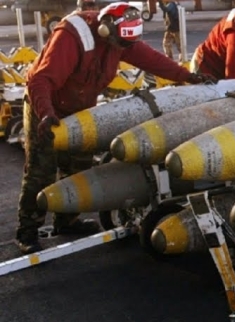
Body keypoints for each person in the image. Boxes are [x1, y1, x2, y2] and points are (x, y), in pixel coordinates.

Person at [15, 2, 214, 254]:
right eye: (120, 44)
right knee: (41, 170)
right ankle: (27, 231)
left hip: (79, 107)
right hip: (46, 107)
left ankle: (66, 221)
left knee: (78, 165)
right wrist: (45, 113)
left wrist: (187, 76)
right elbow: (41, 79)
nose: (123, 49)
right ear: (105, 30)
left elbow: (151, 60)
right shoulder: (71, 36)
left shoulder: (120, 38)